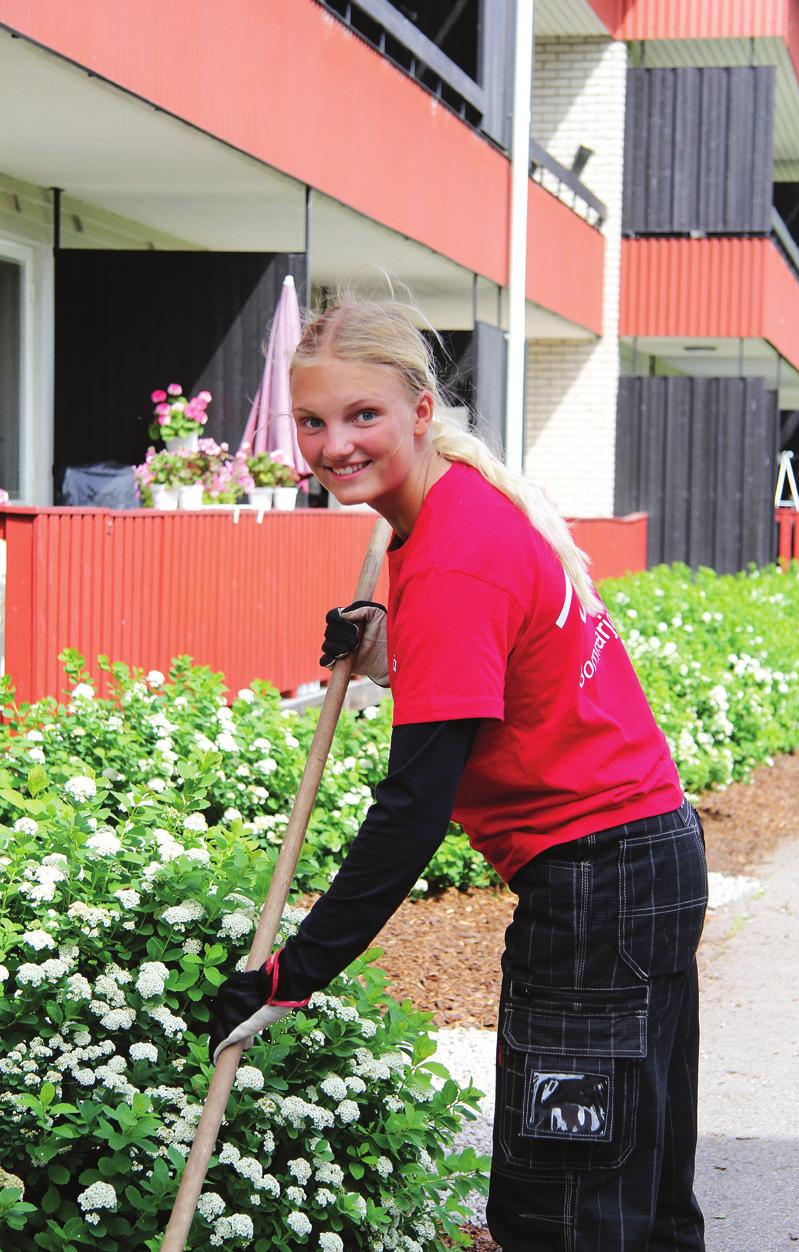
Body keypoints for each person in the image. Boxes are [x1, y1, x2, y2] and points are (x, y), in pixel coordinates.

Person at [209, 297, 708, 1252]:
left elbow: (412, 810)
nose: (334, 445)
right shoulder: (461, 506)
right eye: (312, 421)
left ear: (421, 410)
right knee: (633, 1193)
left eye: (364, 416)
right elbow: (511, 667)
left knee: (564, 1211)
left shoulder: (452, 558)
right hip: (642, 861)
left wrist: (292, 974)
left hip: (598, 883)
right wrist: (392, 648)